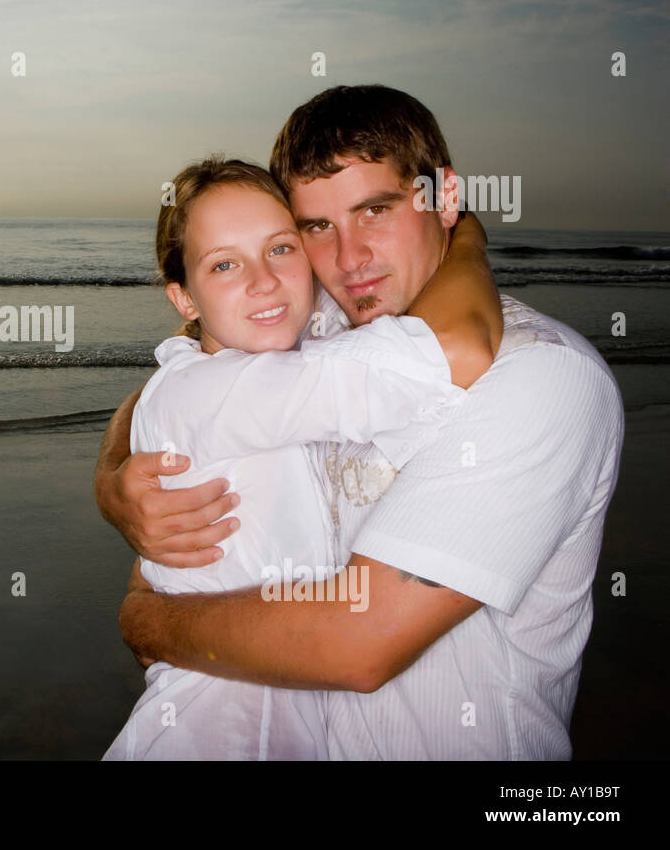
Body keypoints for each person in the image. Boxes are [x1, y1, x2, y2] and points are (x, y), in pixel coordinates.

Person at [94, 85, 625, 759]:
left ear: (446, 199)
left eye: (376, 210)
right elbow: (178, 382)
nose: (349, 259)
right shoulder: (318, 324)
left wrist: (151, 619)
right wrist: (114, 477)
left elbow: (357, 646)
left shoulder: (541, 380)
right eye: (316, 227)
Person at [101, 156, 501, 760]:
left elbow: (162, 386)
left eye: (281, 249)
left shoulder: (224, 367)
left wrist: (110, 471)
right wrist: (465, 234)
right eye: (225, 264)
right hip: (216, 731)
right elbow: (455, 351)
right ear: (184, 296)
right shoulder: (222, 389)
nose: (263, 281)